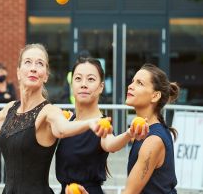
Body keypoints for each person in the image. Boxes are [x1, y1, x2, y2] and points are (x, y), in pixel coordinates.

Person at [0, 44, 110, 194]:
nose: (33, 68)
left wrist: (90, 123)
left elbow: (62, 129)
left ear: (46, 76)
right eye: (28, 62)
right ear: (18, 72)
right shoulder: (10, 108)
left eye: (40, 63)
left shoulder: (49, 111)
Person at [56, 57, 148, 194]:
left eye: (91, 79)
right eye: (78, 79)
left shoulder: (102, 124)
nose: (83, 84)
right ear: (71, 85)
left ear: (101, 87)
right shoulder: (67, 122)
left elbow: (111, 144)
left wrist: (129, 133)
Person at [123, 63, 179, 193]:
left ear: (155, 96)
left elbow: (129, 192)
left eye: (139, 83)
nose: (130, 86)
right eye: (132, 81)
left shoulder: (153, 140)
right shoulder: (145, 131)